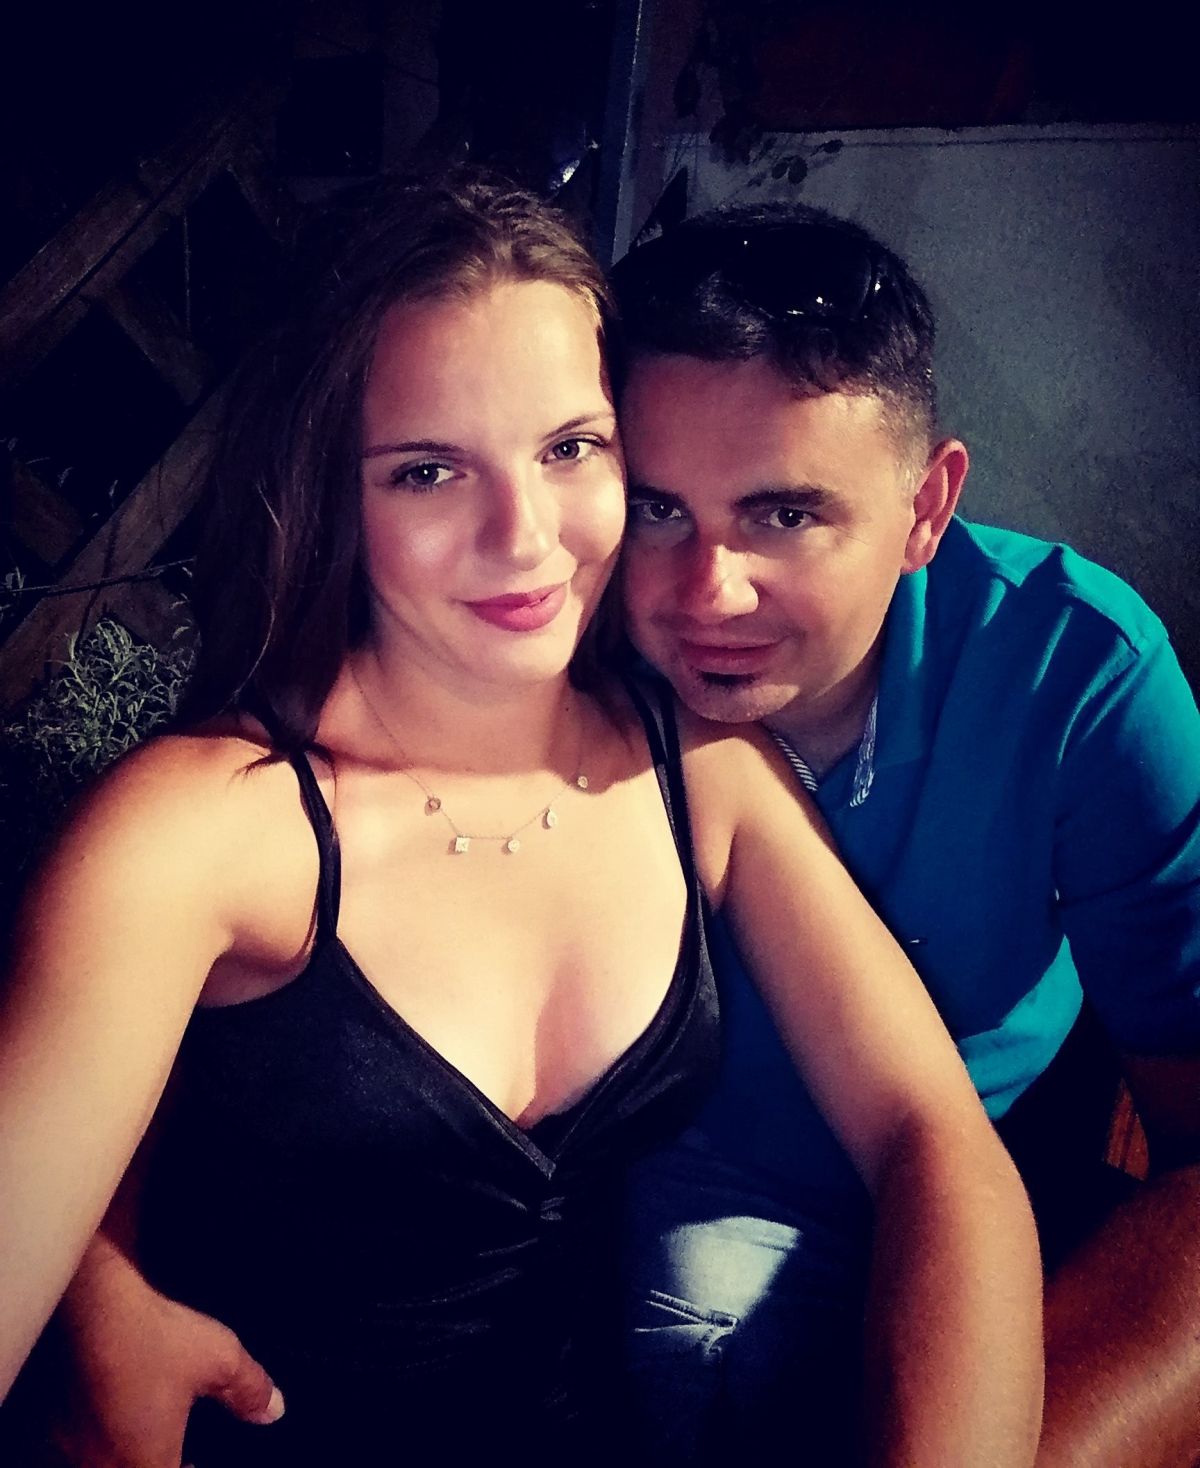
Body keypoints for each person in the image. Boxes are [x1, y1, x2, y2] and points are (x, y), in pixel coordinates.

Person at [0, 174, 1042, 1465]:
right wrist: (94, 1290)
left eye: (569, 448)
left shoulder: (700, 767)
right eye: (429, 471)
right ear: (331, 492)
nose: (526, 536)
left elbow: (932, 1137)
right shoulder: (198, 834)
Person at [609, 201, 1200, 1466]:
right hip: (701, 1225)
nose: (707, 590)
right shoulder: (565, 656)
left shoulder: (1077, 670)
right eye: (657, 510)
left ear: (927, 507)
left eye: (784, 514)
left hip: (1019, 1185)